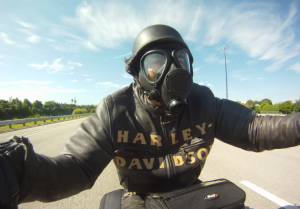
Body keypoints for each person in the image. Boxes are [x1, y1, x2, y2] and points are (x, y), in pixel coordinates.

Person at [0, 24, 300, 209]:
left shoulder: (203, 100)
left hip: (190, 191)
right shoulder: (115, 109)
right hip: (139, 197)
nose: (173, 69)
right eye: (157, 61)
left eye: (180, 59)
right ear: (138, 73)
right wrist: (19, 172)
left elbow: (255, 129)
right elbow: (76, 167)